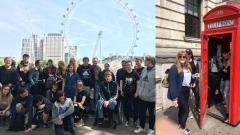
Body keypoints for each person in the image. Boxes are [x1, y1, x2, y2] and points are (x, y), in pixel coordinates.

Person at [167, 51, 194, 135]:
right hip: (179, 91)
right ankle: (182, 128)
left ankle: (179, 124)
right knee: (186, 110)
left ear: (187, 58)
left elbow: (188, 78)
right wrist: (174, 98)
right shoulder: (174, 67)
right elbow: (172, 83)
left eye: (184, 56)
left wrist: (193, 82)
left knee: (182, 109)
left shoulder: (188, 67)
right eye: (180, 56)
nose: (182, 58)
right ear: (178, 57)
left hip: (187, 90)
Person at [134, 55, 156, 135]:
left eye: (145, 60)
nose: (144, 61)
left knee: (151, 115)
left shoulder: (155, 71)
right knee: (141, 113)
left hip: (151, 99)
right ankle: (142, 127)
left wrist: (150, 94)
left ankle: (151, 129)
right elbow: (140, 81)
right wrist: (138, 92)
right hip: (142, 97)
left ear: (150, 62)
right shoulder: (144, 70)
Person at [120, 60, 140, 127]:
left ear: (131, 65)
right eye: (126, 65)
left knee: (135, 108)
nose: (128, 66)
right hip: (125, 93)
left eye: (129, 65)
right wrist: (121, 91)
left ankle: (135, 121)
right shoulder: (123, 73)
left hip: (134, 94)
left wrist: (137, 92)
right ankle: (127, 120)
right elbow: (121, 82)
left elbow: (138, 83)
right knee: (126, 108)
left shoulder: (135, 73)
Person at [218, 50, 230, 122]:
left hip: (228, 80)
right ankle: (225, 102)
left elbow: (226, 70)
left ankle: (228, 112)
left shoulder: (230, 61)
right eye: (223, 54)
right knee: (221, 90)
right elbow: (221, 69)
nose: (223, 56)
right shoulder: (223, 60)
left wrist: (222, 67)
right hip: (223, 78)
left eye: (225, 54)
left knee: (225, 94)